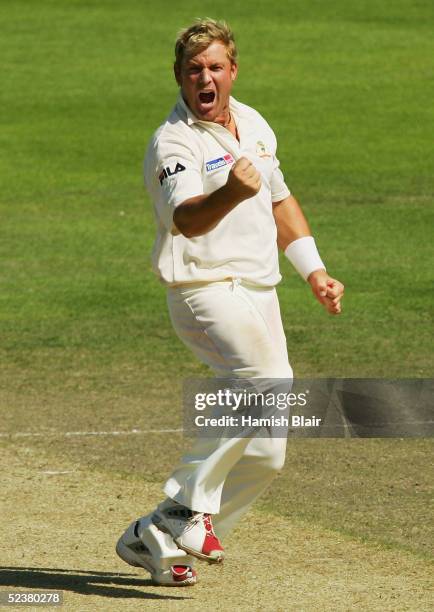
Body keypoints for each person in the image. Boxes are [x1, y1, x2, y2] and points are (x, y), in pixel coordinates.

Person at [116, 18, 344, 587]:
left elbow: (282, 201)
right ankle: (180, 511)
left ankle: (159, 535)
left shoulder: (255, 124)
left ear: (232, 71)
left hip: (260, 289)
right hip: (203, 288)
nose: (205, 77)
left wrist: (314, 271)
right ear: (179, 76)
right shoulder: (174, 140)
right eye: (194, 69)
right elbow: (187, 220)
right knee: (267, 379)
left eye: (215, 66)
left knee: (268, 454)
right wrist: (231, 191)